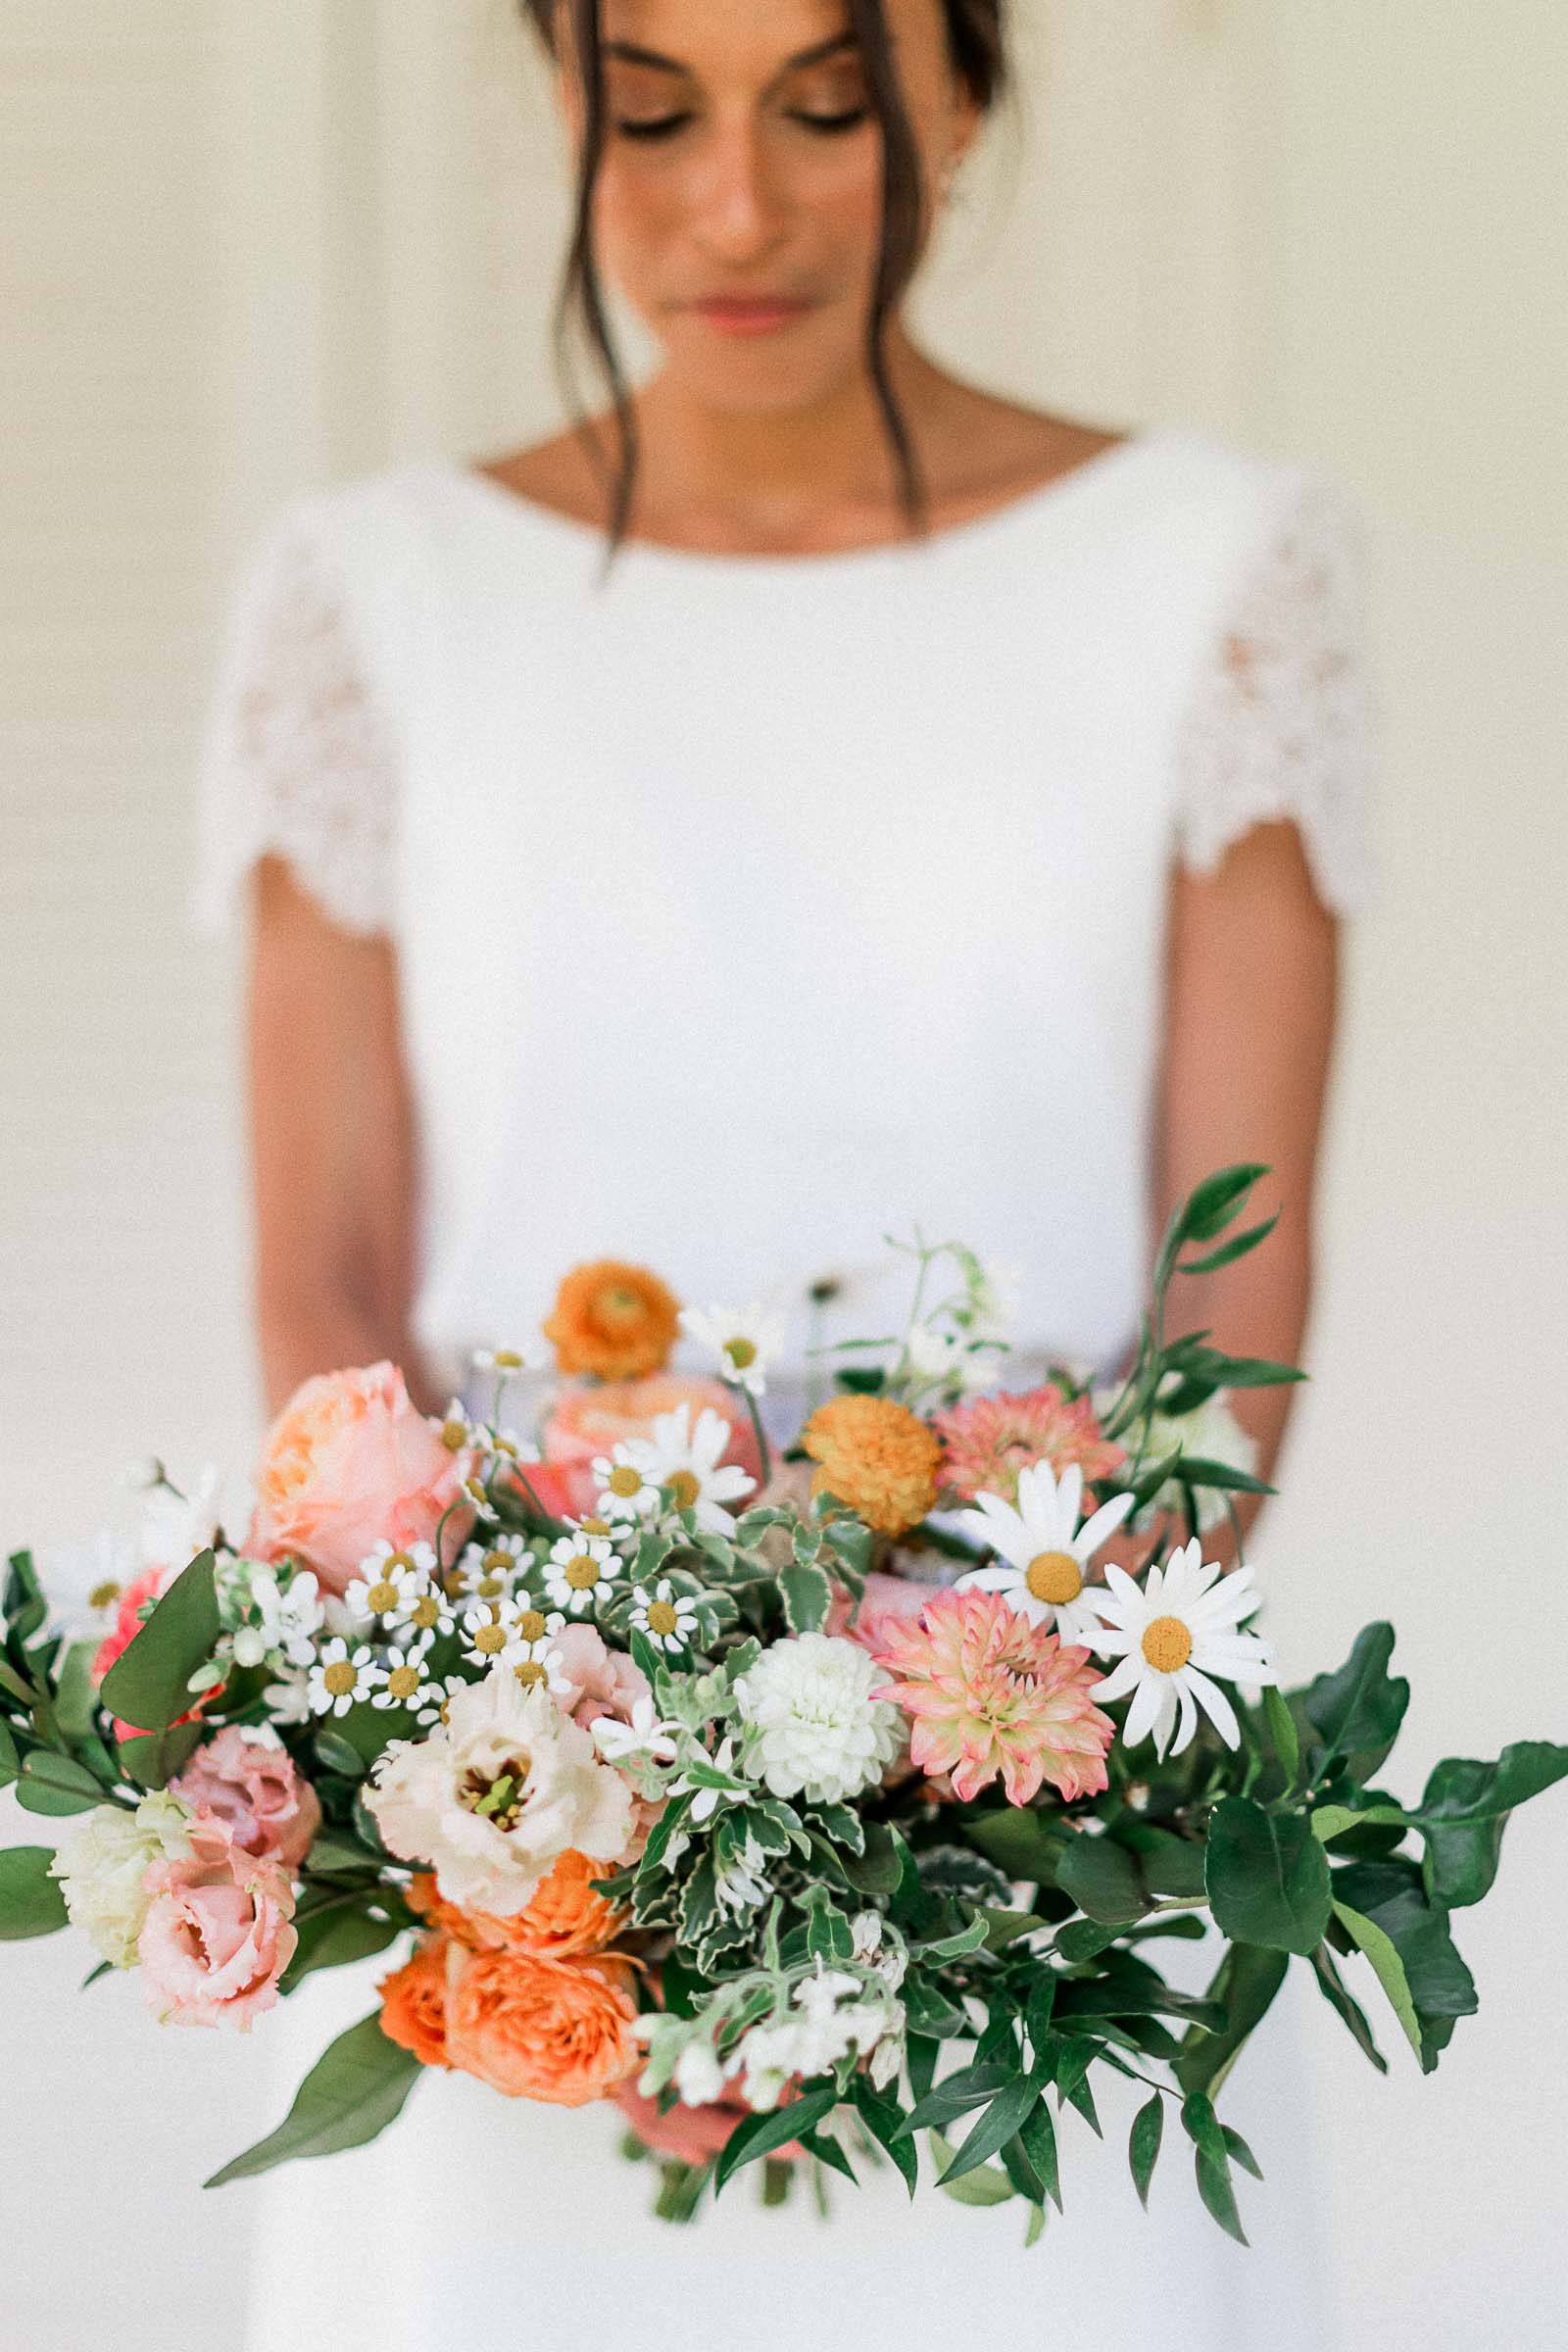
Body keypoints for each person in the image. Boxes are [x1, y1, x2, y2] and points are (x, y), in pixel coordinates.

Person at [193, 4, 1379, 2345]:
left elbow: (1226, 1302)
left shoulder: (1216, 571)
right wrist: (563, 1871)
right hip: (518, 1914)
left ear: (956, 94)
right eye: (651, 113)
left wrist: (934, 1854)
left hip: (1027, 1937)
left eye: (827, 107)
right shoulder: (374, 596)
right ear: (563, 105)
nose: (734, 204)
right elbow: (324, 1272)